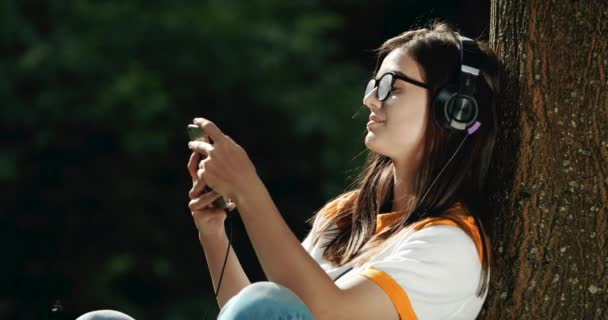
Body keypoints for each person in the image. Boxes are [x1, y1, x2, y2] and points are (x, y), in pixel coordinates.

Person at [77, 20, 500, 320]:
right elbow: (259, 313)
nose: (371, 100)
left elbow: (329, 312)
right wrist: (213, 235)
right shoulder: (349, 213)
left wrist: (248, 189)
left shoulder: (451, 247)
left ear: (455, 112)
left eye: (392, 87)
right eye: (374, 85)